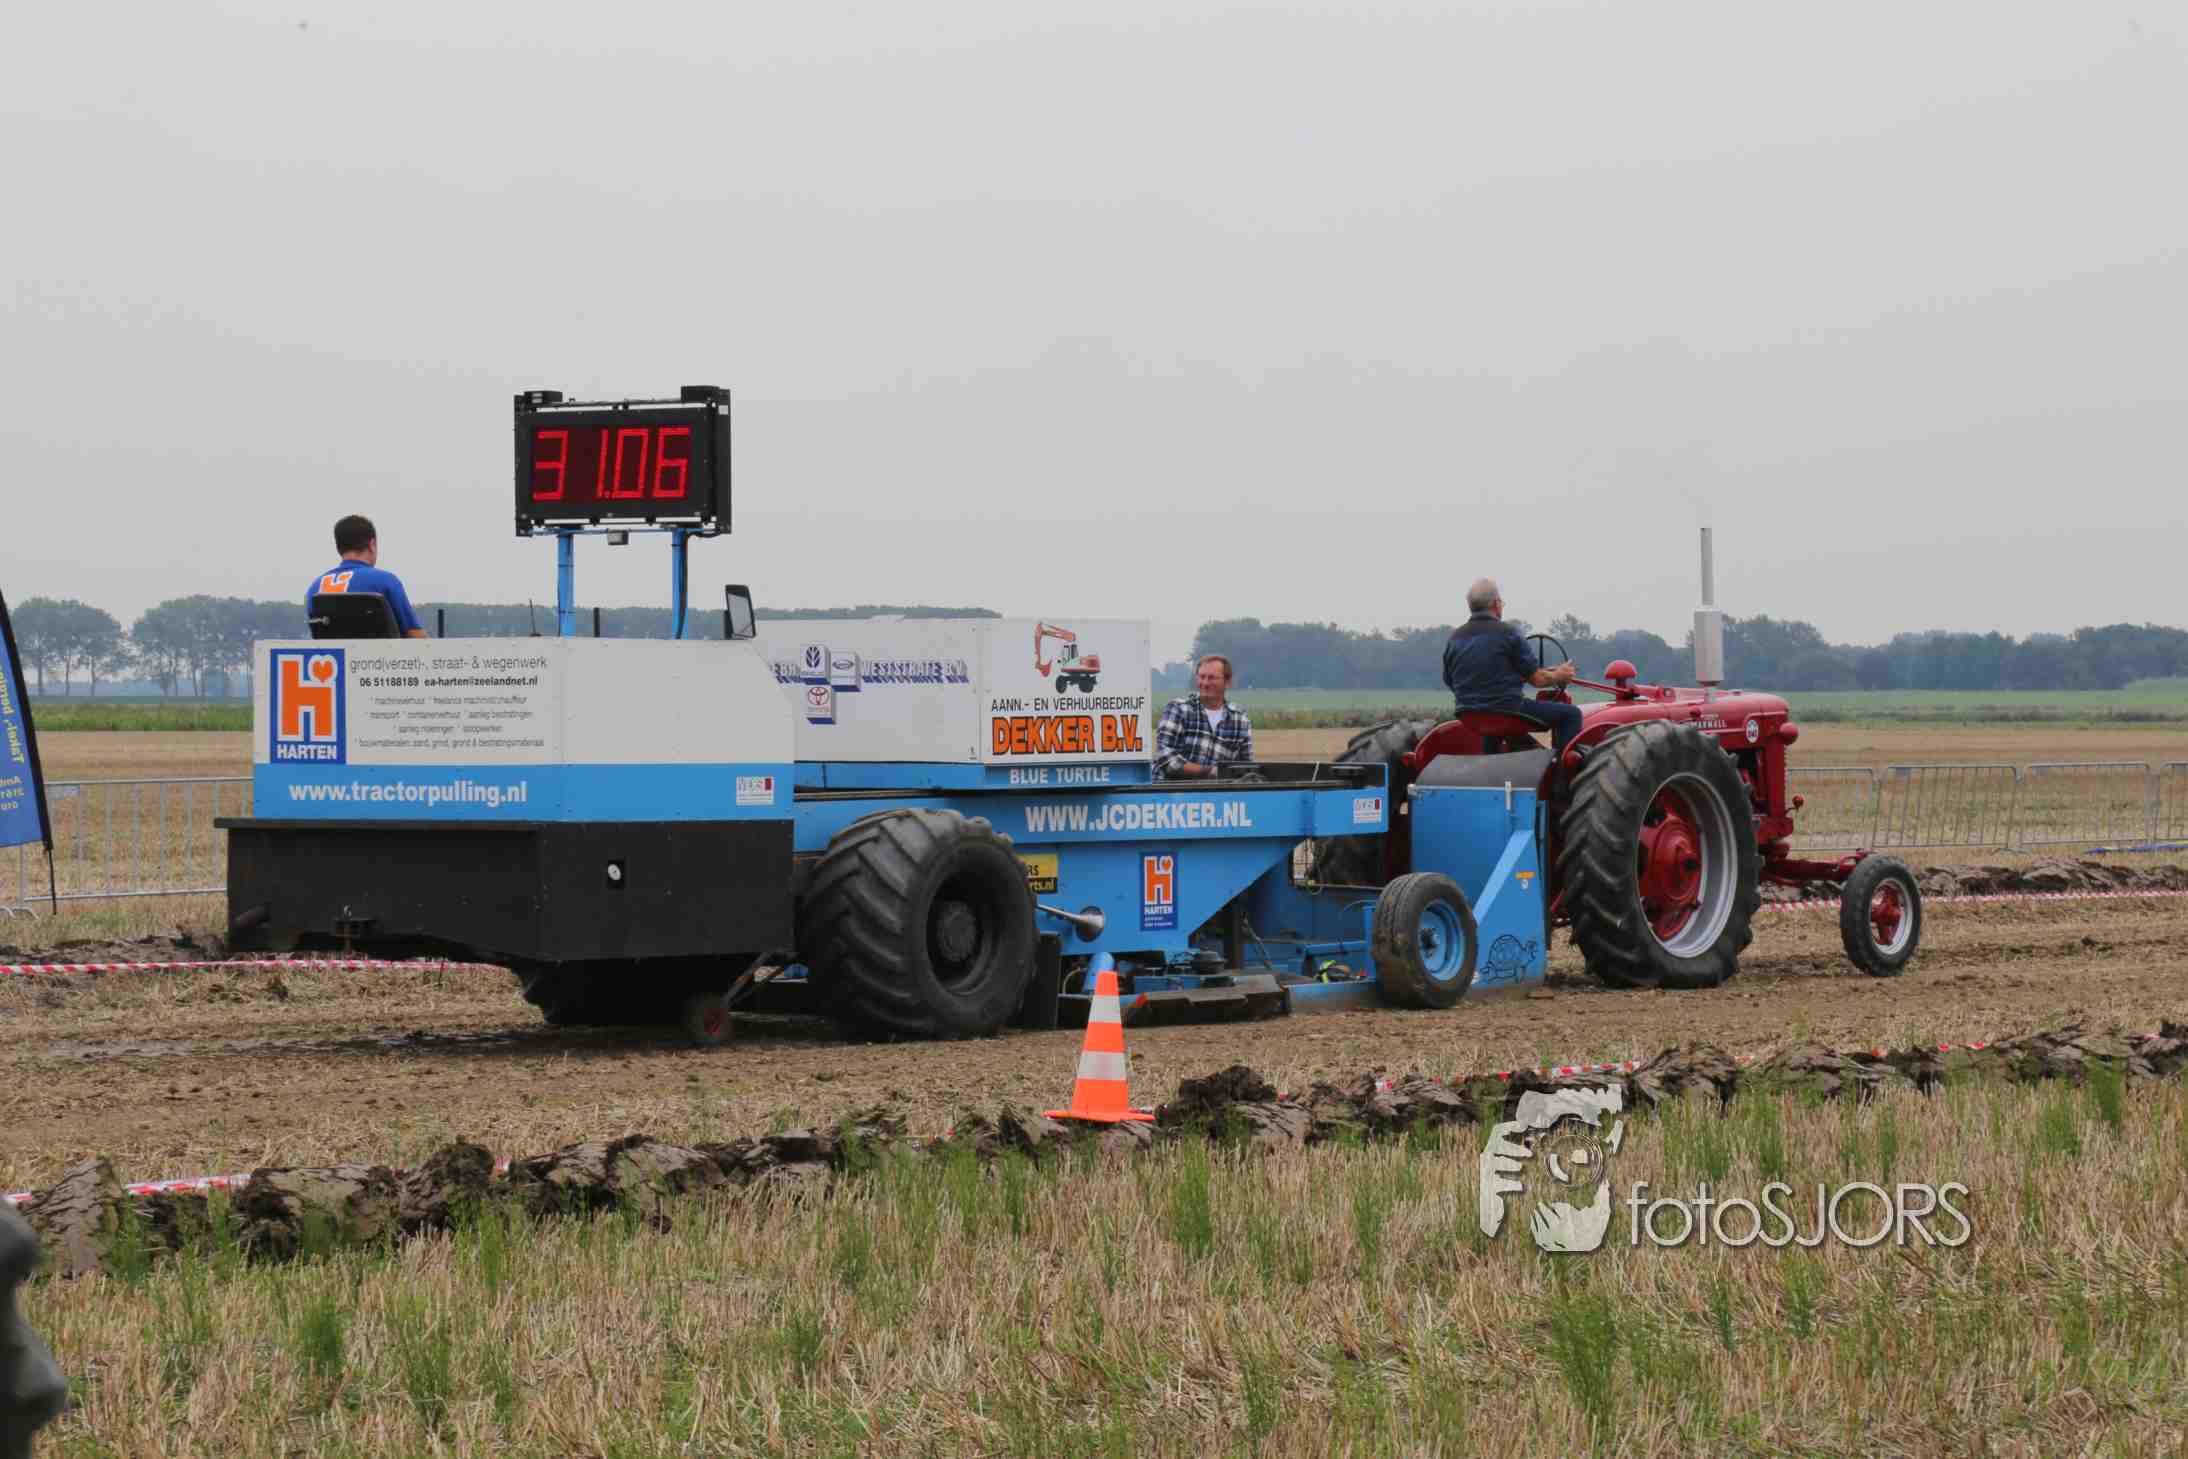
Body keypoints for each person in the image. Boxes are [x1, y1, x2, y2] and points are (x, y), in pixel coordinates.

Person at [1442, 578, 1583, 754]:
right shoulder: (1507, 633)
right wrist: (1559, 675)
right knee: (1572, 715)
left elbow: (1449, 680)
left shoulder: (1455, 639)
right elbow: (1538, 680)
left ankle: (1490, 763)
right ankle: (1562, 769)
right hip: (1506, 711)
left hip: (1468, 715)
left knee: (1491, 716)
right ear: (1496, 604)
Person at [308, 514, 428, 639]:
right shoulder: (385, 581)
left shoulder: (315, 588)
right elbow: (415, 636)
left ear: (339, 548)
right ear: (372, 544)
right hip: (380, 652)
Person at [1155, 653, 1255, 779]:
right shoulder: (1178, 709)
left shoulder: (1240, 720)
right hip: (1171, 789)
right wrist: (1209, 771)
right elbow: (1165, 758)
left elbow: (1246, 768)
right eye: (1202, 677)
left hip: (1216, 791)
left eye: (1211, 678)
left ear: (1228, 682)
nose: (1205, 683)